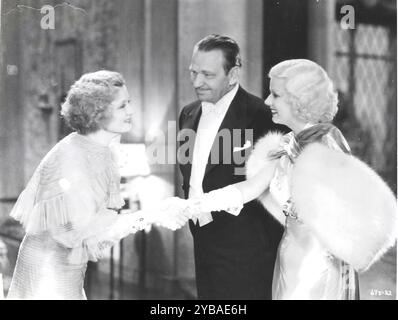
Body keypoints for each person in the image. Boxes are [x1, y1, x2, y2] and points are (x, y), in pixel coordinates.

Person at [185, 59, 397, 300]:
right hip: (288, 257)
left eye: (275, 95)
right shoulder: (285, 145)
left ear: (300, 100)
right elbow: (249, 188)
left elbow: (357, 215)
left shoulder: (328, 147)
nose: (267, 102)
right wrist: (194, 205)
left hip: (316, 267)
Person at [7, 70, 188, 300]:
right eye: (123, 106)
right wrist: (152, 215)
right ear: (98, 112)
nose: (131, 111)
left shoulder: (103, 150)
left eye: (129, 103)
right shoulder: (74, 155)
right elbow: (88, 232)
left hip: (67, 267)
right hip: (47, 271)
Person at [178, 34, 288, 299]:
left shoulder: (262, 116)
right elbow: (193, 177)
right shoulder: (187, 113)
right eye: (193, 72)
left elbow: (270, 189)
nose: (197, 82)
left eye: (207, 74)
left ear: (233, 73)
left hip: (248, 252)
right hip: (202, 241)